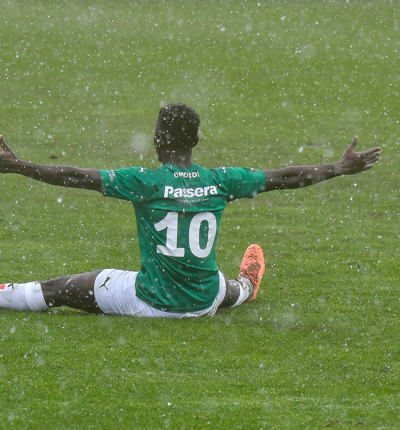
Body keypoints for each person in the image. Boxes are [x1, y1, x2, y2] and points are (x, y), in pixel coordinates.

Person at [0, 103, 381, 317]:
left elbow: (78, 177)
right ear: (196, 141)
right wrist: (337, 168)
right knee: (223, 287)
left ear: (155, 140)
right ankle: (245, 287)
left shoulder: (144, 182)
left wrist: (18, 166)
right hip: (204, 298)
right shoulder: (221, 180)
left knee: (61, 289)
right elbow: (282, 177)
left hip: (151, 302)